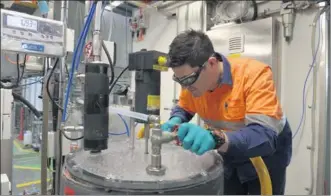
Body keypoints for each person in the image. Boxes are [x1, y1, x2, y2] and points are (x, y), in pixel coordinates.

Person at [161, 29, 292, 195]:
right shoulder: (192, 83)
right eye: (179, 80)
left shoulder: (254, 74)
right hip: (229, 151)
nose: (185, 87)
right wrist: (176, 120)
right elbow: (184, 107)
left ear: (211, 63)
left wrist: (215, 137)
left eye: (187, 80)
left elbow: (264, 135)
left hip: (267, 155)